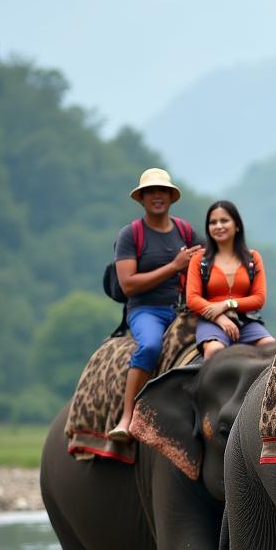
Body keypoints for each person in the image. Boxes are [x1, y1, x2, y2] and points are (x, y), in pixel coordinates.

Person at [109, 167, 203, 442]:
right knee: (150, 346)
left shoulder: (185, 231)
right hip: (146, 309)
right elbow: (128, 284)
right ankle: (127, 416)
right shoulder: (131, 235)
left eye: (162, 191)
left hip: (183, 309)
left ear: (171, 197)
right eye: (150, 192)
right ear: (141, 199)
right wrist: (174, 266)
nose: (157, 196)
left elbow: (202, 266)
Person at [185, 200, 276, 358]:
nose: (219, 226)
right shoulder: (199, 259)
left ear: (237, 225)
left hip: (246, 320)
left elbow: (258, 299)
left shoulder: (252, 258)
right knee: (214, 351)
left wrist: (227, 304)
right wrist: (220, 317)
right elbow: (192, 298)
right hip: (211, 321)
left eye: (224, 220)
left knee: (274, 348)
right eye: (213, 222)